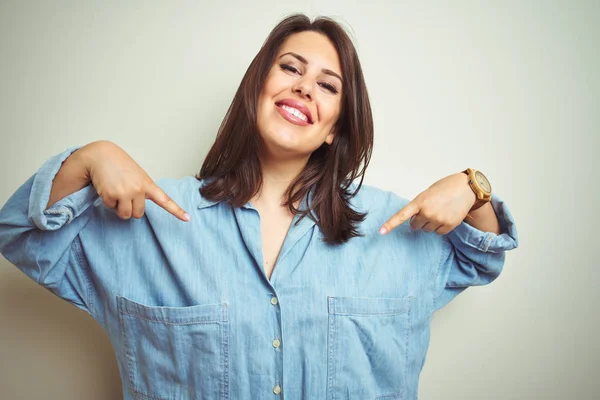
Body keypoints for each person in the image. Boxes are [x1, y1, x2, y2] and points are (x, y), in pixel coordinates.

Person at [0, 13, 518, 400]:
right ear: (258, 89)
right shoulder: (150, 220)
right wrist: (91, 158)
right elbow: (21, 236)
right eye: (289, 67)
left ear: (335, 126)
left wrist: (475, 189)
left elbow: (482, 256)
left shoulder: (394, 226)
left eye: (327, 84)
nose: (303, 86)